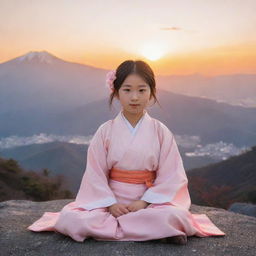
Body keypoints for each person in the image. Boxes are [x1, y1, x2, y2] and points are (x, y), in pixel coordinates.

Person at [27, 60, 226, 245]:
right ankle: (157, 231)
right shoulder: (105, 131)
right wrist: (110, 204)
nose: (134, 97)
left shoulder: (160, 131)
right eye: (127, 90)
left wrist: (145, 201)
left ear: (152, 92)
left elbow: (171, 176)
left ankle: (149, 226)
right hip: (110, 201)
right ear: (116, 92)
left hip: (149, 203)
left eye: (141, 90)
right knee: (72, 218)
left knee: (174, 215)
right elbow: (95, 174)